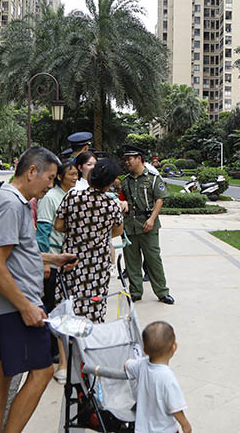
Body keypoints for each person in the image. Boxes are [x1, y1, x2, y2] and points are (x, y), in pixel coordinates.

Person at [0, 147, 76, 433]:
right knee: (43, 372)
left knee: (1, 374)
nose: (51, 184)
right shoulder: (10, 204)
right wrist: (25, 306)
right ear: (32, 171)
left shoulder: (4, 200)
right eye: (51, 177)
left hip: (1, 306)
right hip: (14, 307)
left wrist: (53, 258)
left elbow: (14, 251)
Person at [54, 158, 124, 325]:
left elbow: (58, 225)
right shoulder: (112, 204)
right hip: (97, 265)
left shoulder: (72, 196)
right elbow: (118, 231)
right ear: (109, 184)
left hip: (72, 260)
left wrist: (76, 232)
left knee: (68, 305)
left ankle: (68, 344)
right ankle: (90, 346)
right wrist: (99, 234)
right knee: (94, 306)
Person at [36, 160, 78, 384]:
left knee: (62, 306)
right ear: (60, 176)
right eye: (70, 174)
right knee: (50, 305)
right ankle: (49, 350)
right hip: (51, 260)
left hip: (65, 261)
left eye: (76, 174)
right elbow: (42, 232)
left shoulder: (72, 196)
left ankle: (57, 347)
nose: (74, 177)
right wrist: (44, 262)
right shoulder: (51, 198)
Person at [121, 144, 174, 304]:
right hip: (130, 224)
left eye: (129, 159)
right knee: (131, 260)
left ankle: (162, 292)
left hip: (148, 225)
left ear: (139, 159)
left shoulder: (152, 178)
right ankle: (135, 292)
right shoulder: (126, 181)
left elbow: (160, 199)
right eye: (125, 160)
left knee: (153, 259)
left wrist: (151, 219)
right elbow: (123, 200)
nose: (127, 163)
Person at [124, 321, 191, 433]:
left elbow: (127, 365)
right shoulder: (168, 378)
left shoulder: (141, 365)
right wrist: (185, 424)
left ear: (145, 351)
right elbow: (175, 407)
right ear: (174, 347)